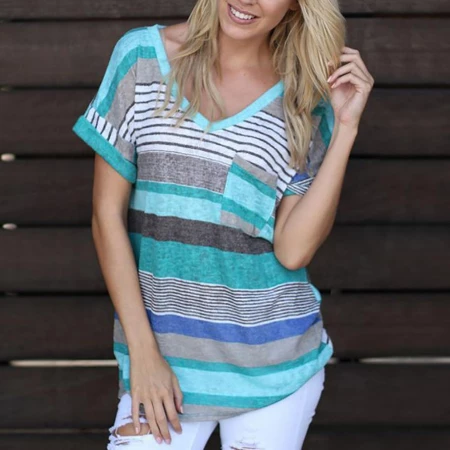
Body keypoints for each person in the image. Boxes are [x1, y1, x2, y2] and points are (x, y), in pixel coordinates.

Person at [72, 0, 373, 448]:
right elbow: (106, 215)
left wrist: (346, 127)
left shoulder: (305, 98)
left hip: (272, 367)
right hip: (161, 367)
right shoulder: (141, 57)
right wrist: (144, 355)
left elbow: (293, 250)